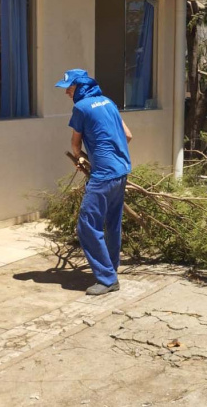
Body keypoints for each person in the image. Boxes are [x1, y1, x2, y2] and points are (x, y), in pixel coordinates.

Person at [56, 69, 133, 296]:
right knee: (112, 224)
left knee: (87, 226)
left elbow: (75, 144)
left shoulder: (80, 108)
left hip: (103, 175)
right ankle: (112, 271)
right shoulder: (108, 102)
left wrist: (81, 158)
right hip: (121, 171)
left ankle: (107, 279)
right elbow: (128, 135)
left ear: (79, 87)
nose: (67, 93)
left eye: (69, 89)